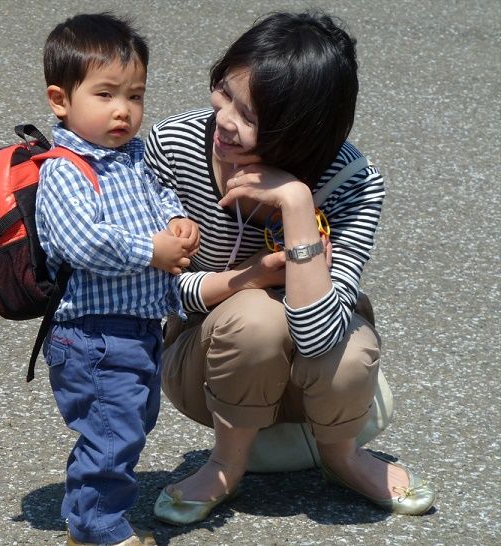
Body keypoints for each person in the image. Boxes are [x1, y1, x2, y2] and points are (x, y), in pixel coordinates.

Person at [145, 11, 436, 525]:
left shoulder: (352, 181)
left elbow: (321, 336)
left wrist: (297, 203)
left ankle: (342, 457)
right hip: (205, 359)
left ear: (302, 132)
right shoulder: (174, 146)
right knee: (256, 316)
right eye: (225, 94)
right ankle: (225, 464)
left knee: (350, 346)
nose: (225, 122)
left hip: (318, 373)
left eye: (250, 116)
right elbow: (155, 293)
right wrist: (252, 276)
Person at [35, 13, 199, 546]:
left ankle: (90, 511)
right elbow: (77, 241)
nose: (123, 110)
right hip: (92, 335)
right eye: (105, 94)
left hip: (138, 327)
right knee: (112, 434)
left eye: (135, 96)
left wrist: (175, 220)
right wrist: (151, 249)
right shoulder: (64, 168)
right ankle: (97, 528)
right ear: (61, 100)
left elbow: (160, 198)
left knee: (127, 425)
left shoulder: (132, 159)